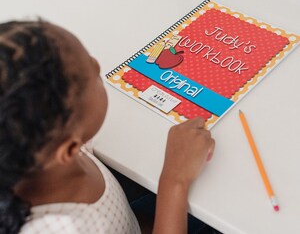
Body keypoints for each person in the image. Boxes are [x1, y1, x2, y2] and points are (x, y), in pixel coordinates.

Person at [0, 20, 215, 234]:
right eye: (92, 75)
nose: (96, 63)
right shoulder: (64, 227)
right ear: (69, 148)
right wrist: (174, 180)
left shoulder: (39, 148)